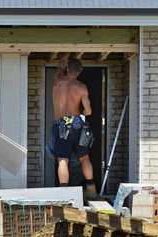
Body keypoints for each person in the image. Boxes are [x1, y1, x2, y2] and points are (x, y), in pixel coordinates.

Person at [51, 53, 98, 199]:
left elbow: (60, 66)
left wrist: (65, 55)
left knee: (63, 159)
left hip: (62, 124)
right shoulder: (82, 87)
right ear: (80, 72)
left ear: (67, 69)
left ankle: (64, 193)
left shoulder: (58, 80)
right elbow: (89, 111)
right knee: (84, 157)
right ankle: (91, 190)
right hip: (77, 123)